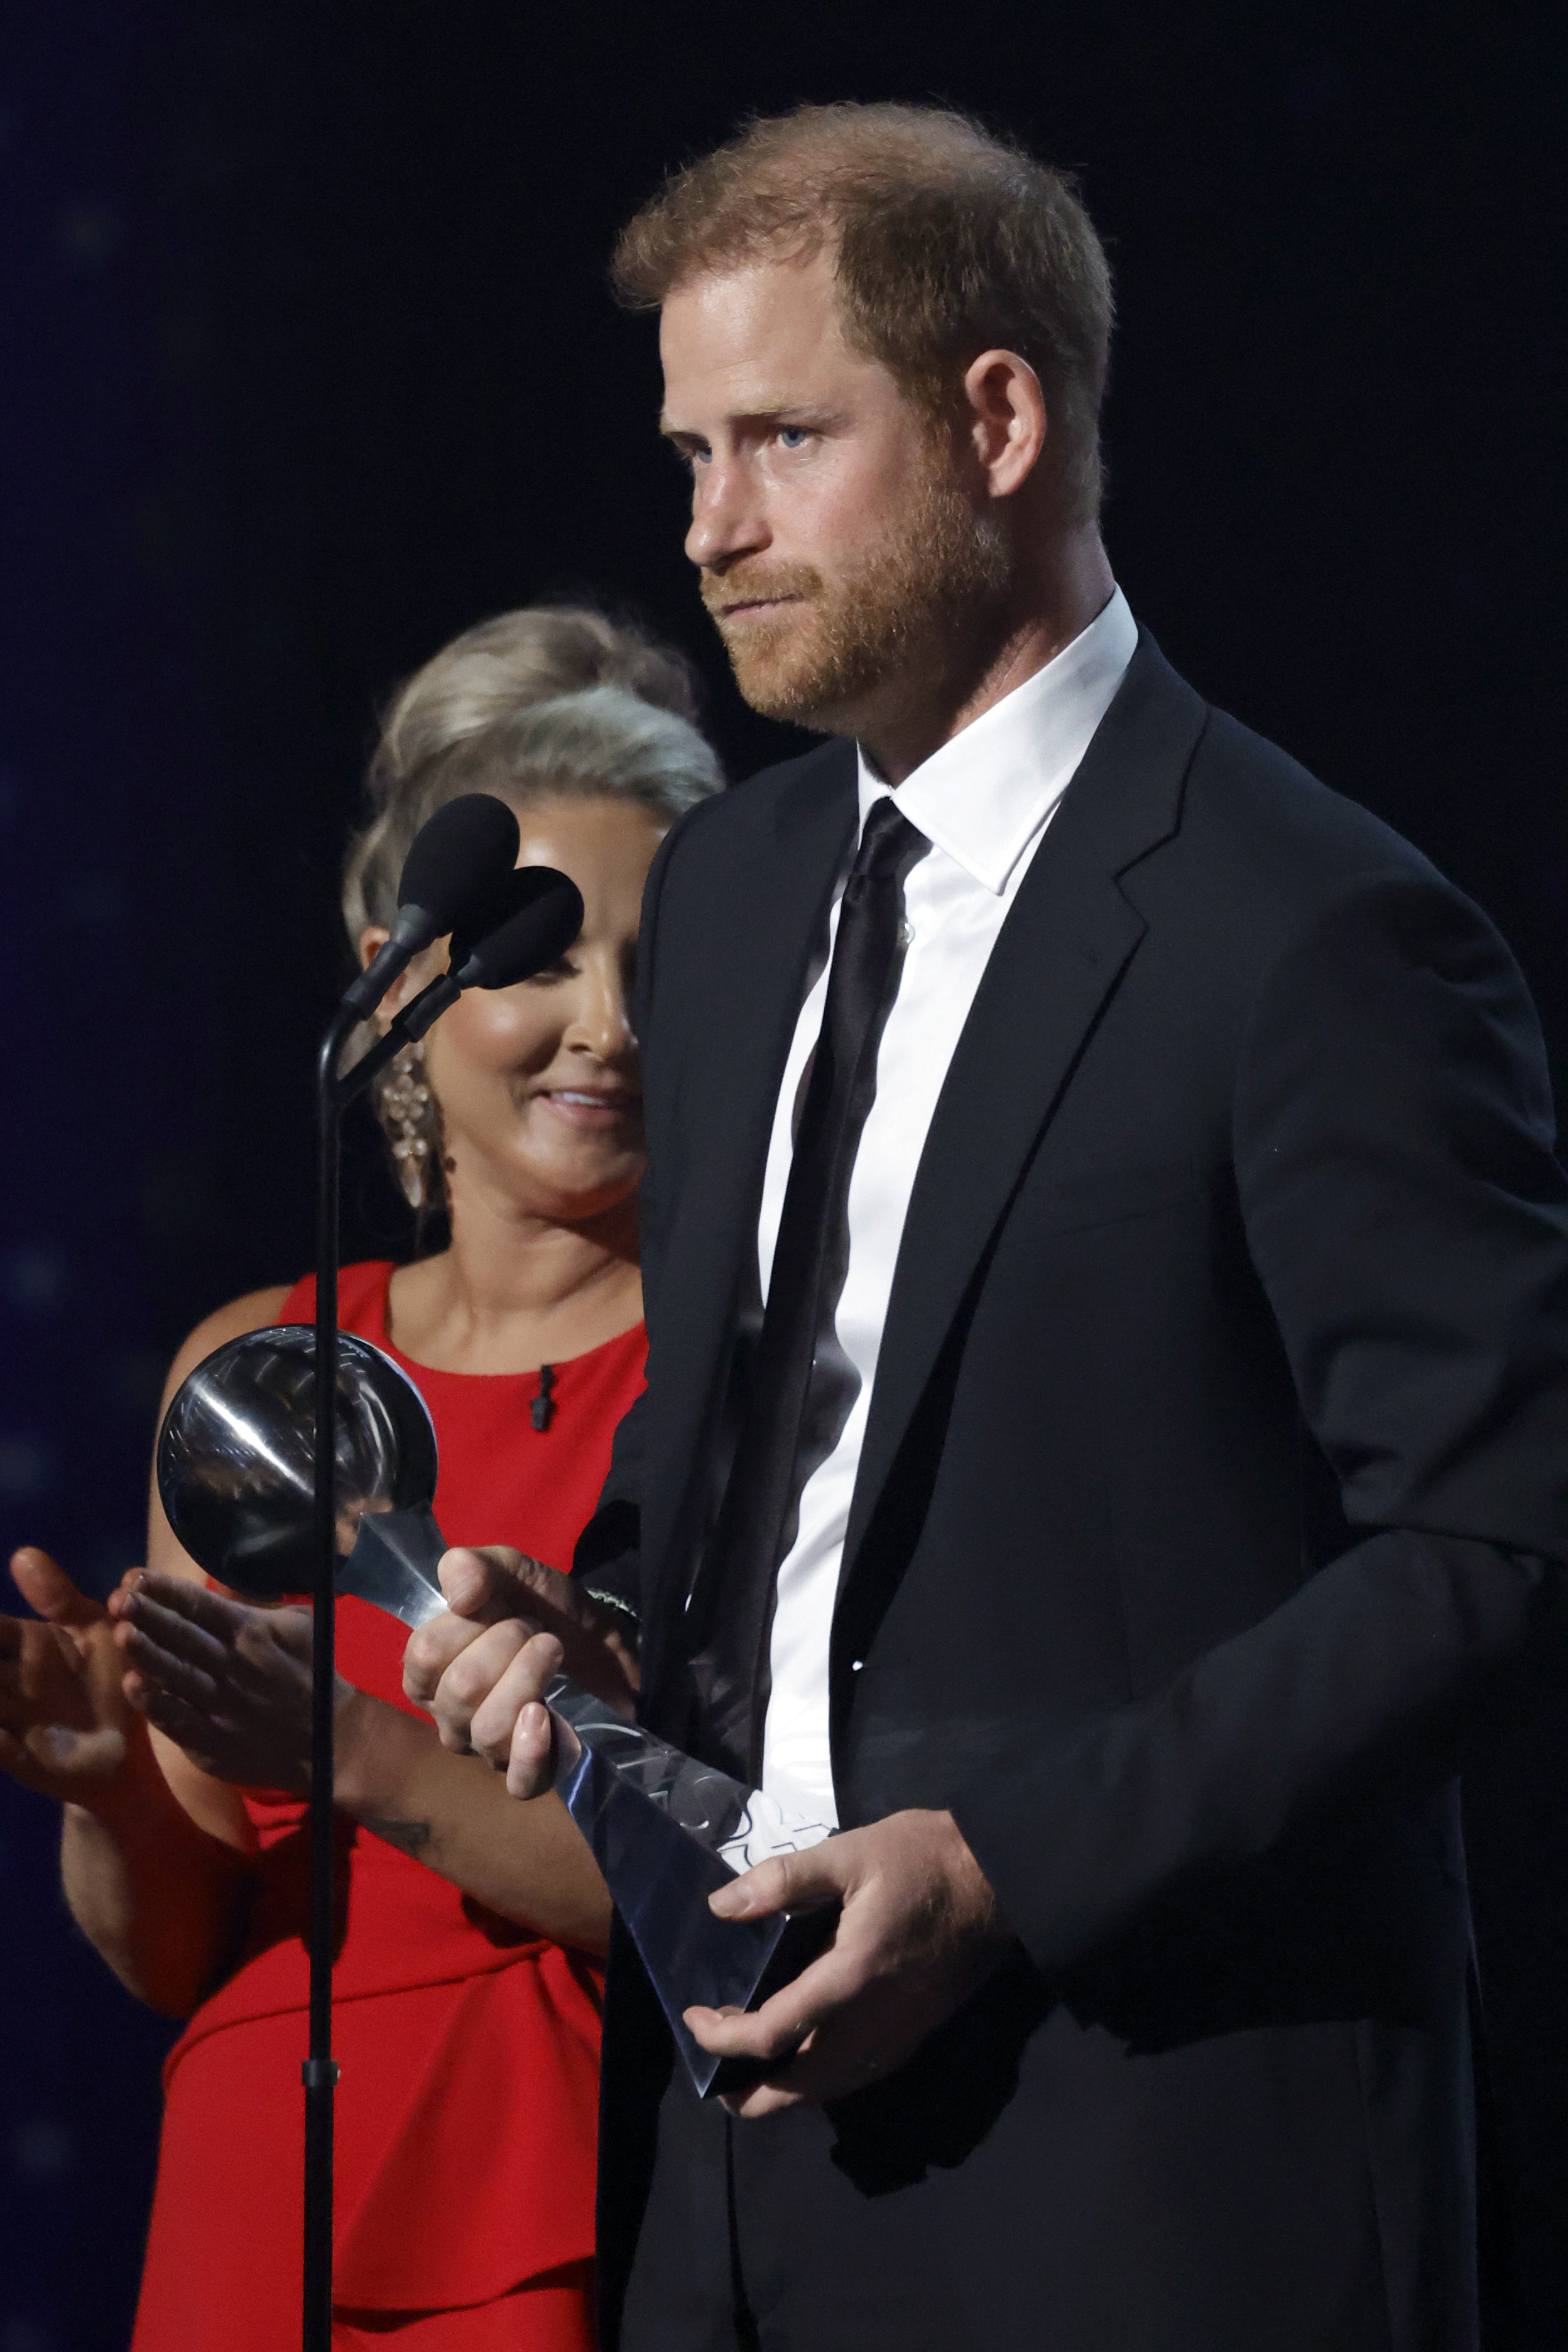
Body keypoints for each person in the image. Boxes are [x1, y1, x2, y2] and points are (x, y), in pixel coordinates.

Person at [405, 103, 1568, 2352]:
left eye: (777, 441)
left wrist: (1000, 1863)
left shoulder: (1312, 927)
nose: (710, 530)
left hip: (1158, 2168)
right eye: (686, 455)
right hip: (744, 2165)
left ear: (999, 419)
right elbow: (746, 1468)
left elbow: (1496, 1551)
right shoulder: (735, 894)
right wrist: (606, 1624)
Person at [0, 604, 721, 2351]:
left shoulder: (739, 1369)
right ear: (400, 971)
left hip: (569, 2188)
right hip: (260, 2193)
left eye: (664, 958)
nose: (609, 1025)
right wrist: (109, 1793)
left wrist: (353, 1749)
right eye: (543, 958)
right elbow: (182, 1945)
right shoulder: (258, 1370)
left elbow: (716, 1901)